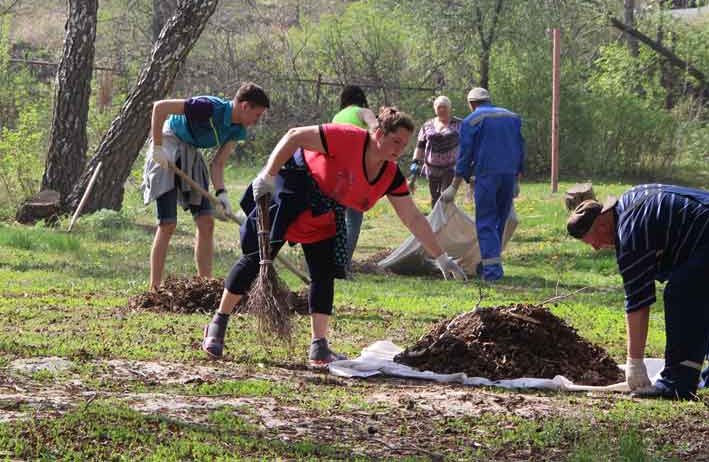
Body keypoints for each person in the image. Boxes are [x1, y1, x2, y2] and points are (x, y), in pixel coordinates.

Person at [201, 107, 467, 366]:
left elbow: (413, 218)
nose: (399, 149)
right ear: (379, 134)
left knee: (323, 272)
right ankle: (218, 323)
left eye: (405, 144)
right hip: (292, 186)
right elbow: (294, 135)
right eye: (395, 141)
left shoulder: (389, 175)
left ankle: (319, 344)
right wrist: (268, 176)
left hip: (325, 206)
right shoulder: (347, 138)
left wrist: (441, 257)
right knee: (257, 257)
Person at [566, 184, 709, 400]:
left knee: (681, 294)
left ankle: (677, 383)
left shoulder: (629, 233)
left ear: (602, 222)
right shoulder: (631, 201)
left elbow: (637, 302)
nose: (596, 247)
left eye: (593, 239)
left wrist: (635, 363)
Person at [143, 82, 270, 293]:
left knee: (206, 222)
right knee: (168, 224)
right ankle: (154, 288)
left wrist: (223, 194)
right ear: (245, 106)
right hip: (168, 141)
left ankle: (205, 285)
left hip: (190, 151)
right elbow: (160, 107)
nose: (256, 121)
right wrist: (157, 147)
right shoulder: (208, 107)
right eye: (257, 115)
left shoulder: (237, 130)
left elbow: (218, 163)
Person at [439, 87, 524, 281]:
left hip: (487, 176)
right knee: (500, 221)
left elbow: (465, 154)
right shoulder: (512, 117)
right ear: (488, 100)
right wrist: (517, 178)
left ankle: (492, 272)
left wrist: (454, 185)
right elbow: (520, 147)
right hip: (508, 175)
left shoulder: (472, 121)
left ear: (471, 104)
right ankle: (488, 264)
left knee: (485, 222)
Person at [331, 85, 377, 275]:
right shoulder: (363, 112)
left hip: (335, 172)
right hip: (357, 172)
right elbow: (375, 127)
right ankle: (344, 266)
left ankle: (333, 261)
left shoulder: (337, 117)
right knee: (354, 219)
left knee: (338, 220)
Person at [409, 95, 462, 207]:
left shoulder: (459, 124)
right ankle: (435, 222)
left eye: (444, 107)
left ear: (449, 108)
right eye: (439, 107)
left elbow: (467, 144)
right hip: (432, 167)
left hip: (450, 167)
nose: (442, 110)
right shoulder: (427, 125)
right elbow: (420, 145)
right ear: (435, 109)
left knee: (446, 196)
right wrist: (415, 162)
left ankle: (447, 221)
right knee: (434, 196)